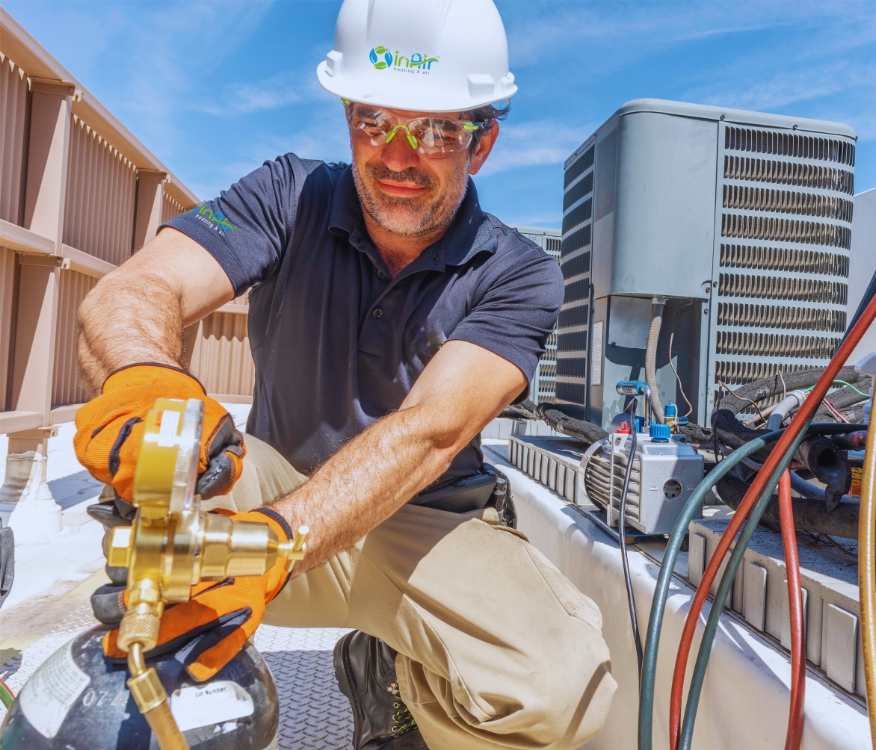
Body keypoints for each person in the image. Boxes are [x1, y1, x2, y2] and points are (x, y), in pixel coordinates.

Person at [71, 0, 617, 748]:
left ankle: (398, 677)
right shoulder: (287, 195)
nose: (397, 155)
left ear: (481, 144)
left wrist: (278, 542)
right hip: (277, 490)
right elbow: (135, 290)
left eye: (434, 129)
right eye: (374, 121)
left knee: (561, 697)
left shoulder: (519, 274)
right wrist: (144, 379)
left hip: (424, 525)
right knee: (163, 453)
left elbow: (431, 431)